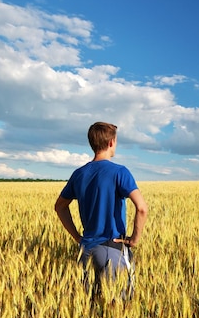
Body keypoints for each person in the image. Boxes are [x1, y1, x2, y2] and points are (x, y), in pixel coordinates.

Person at [55, 122, 148, 295]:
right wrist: (134, 239)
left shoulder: (79, 174)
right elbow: (142, 208)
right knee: (120, 308)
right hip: (112, 249)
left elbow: (60, 207)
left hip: (86, 250)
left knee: (89, 307)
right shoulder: (120, 172)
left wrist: (77, 237)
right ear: (111, 142)